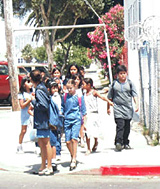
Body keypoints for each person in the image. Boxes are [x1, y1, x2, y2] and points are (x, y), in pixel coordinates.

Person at [107, 65, 139, 151]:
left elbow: (135, 95)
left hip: (128, 109)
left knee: (127, 127)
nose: (122, 75)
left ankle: (125, 142)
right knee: (120, 125)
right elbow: (110, 97)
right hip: (118, 109)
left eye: (124, 73)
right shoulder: (114, 84)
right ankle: (118, 142)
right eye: (121, 73)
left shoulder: (130, 83)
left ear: (126, 74)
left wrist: (137, 105)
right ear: (117, 74)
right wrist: (108, 108)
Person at [30, 69, 53, 176]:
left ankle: (49, 166)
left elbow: (43, 105)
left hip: (43, 120)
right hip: (40, 120)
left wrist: (33, 100)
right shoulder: (41, 88)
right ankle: (43, 165)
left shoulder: (39, 90)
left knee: (46, 143)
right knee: (41, 143)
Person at [82, 78, 113, 155]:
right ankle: (88, 148)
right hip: (87, 114)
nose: (82, 86)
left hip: (94, 113)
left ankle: (96, 142)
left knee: (95, 130)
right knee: (87, 131)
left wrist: (109, 102)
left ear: (88, 85)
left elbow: (102, 97)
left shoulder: (94, 92)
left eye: (84, 84)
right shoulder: (84, 94)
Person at [61, 79, 86, 171]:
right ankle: (72, 154)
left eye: (71, 88)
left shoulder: (79, 97)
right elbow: (62, 106)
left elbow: (83, 110)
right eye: (68, 88)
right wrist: (61, 112)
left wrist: (84, 123)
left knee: (74, 139)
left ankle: (74, 159)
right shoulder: (65, 96)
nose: (69, 90)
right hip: (67, 119)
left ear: (75, 86)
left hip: (76, 119)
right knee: (67, 141)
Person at [17, 76, 34, 153]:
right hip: (25, 114)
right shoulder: (21, 94)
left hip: (33, 113)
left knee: (35, 130)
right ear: (24, 84)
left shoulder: (33, 92)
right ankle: (19, 145)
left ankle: (37, 146)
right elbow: (22, 105)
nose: (30, 84)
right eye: (28, 82)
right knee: (23, 130)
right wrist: (29, 100)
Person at [49, 81, 62, 168]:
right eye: (53, 88)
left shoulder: (57, 97)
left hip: (56, 119)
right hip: (52, 120)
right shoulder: (50, 97)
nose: (55, 90)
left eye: (56, 88)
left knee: (56, 138)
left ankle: (56, 154)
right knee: (53, 139)